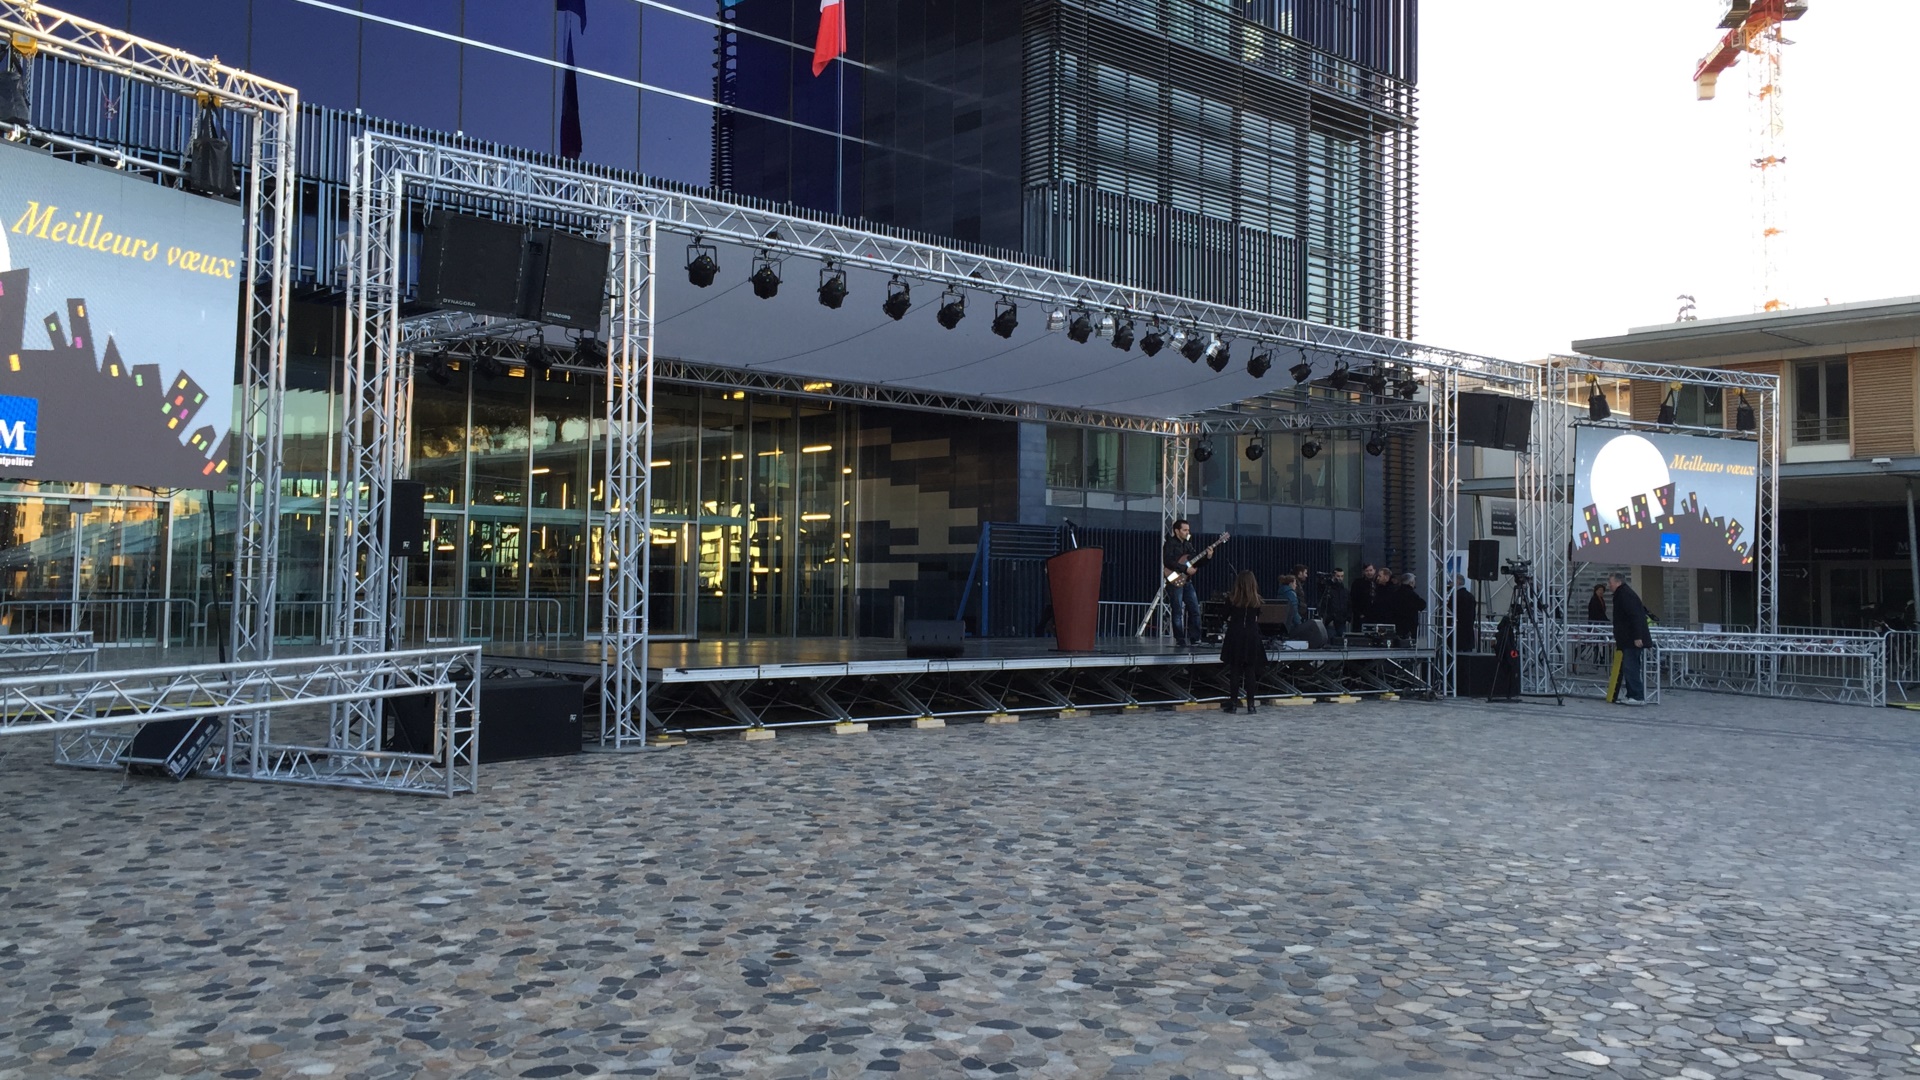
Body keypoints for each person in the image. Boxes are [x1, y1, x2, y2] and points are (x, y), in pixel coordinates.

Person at [1218, 570, 1266, 713]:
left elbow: (1223, 616)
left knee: (1235, 670)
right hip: (1252, 635)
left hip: (1235, 634)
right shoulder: (1257, 600)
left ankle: (1233, 703)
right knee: (1250, 670)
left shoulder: (1232, 599)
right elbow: (1256, 617)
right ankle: (1251, 705)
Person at [1609, 572, 1652, 705]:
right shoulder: (1624, 594)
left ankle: (1637, 696)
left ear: (1618, 582)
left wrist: (1638, 636)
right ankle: (1631, 695)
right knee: (1629, 667)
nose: (1609, 585)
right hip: (1627, 638)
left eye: (1611, 583)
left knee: (1631, 667)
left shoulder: (1625, 595)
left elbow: (1635, 616)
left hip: (1631, 639)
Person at [1161, 519, 1205, 648]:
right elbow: (1168, 562)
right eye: (1184, 530)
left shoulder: (1188, 545)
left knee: (1195, 609)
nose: (1187, 532)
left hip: (1187, 580)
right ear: (1177, 531)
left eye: (1188, 530)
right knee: (1177, 610)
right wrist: (1185, 569)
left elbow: (1196, 560)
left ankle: (1195, 638)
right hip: (1174, 578)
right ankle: (1180, 639)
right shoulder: (1170, 544)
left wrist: (1207, 557)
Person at [1391, 572, 1426, 646]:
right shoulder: (1412, 594)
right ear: (1411, 582)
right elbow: (1422, 605)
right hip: (1410, 624)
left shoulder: (1395, 593)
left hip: (1397, 623)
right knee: (1410, 645)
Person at [1320, 567, 1350, 645]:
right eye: (1338, 576)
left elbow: (1349, 605)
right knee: (1330, 642)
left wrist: (1348, 619)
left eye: (1342, 576)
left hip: (1342, 622)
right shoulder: (1328, 590)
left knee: (1342, 643)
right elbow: (1323, 606)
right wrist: (1328, 620)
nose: (1340, 578)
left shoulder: (1345, 591)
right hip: (1331, 622)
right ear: (1334, 576)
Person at [1453, 575, 1478, 652]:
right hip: (1468, 633)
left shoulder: (1455, 596)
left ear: (1457, 582)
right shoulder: (1471, 596)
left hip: (1458, 634)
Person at [1350, 563, 1376, 627]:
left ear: (1374, 570)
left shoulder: (1378, 583)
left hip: (1376, 616)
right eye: (1367, 571)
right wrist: (1359, 614)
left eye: (1370, 570)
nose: (1369, 573)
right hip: (1362, 616)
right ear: (1364, 572)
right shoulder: (1357, 583)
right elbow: (1353, 600)